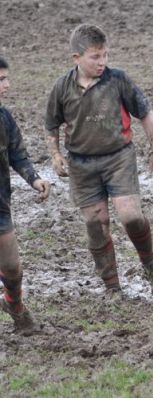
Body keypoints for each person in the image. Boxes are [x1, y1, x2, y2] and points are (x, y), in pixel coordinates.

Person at [45, 24, 153, 300]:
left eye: (105, 55)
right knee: (96, 223)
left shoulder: (118, 80)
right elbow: (51, 125)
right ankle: (112, 286)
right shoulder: (61, 87)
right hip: (81, 164)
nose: (102, 62)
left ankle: (151, 265)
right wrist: (55, 155)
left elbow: (146, 113)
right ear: (76, 58)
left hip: (118, 157)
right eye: (95, 57)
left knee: (131, 216)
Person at [0, 56, 50, 333]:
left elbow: (18, 155)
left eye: (6, 78)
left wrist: (34, 179)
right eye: (0, 80)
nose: (6, 85)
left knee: (11, 267)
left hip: (0, 205)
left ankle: (14, 305)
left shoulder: (4, 118)